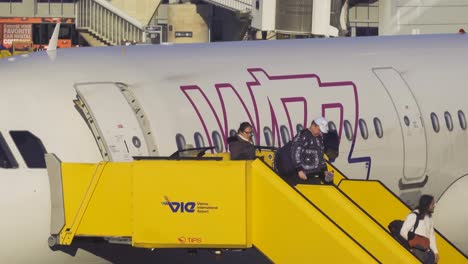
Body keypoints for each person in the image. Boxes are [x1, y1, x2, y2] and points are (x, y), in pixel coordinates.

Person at [275, 117, 334, 185]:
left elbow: (320, 155)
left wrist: (325, 171)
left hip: (311, 174)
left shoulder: (319, 138)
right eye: (319, 130)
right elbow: (295, 153)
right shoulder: (303, 136)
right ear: (313, 126)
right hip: (301, 174)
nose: (319, 132)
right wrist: (299, 170)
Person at [400, 194, 439, 264]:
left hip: (427, 251)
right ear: (427, 204)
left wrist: (435, 252)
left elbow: (431, 236)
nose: (434, 205)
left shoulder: (429, 218)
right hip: (417, 251)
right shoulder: (414, 215)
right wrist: (415, 242)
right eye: (433, 203)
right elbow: (403, 231)